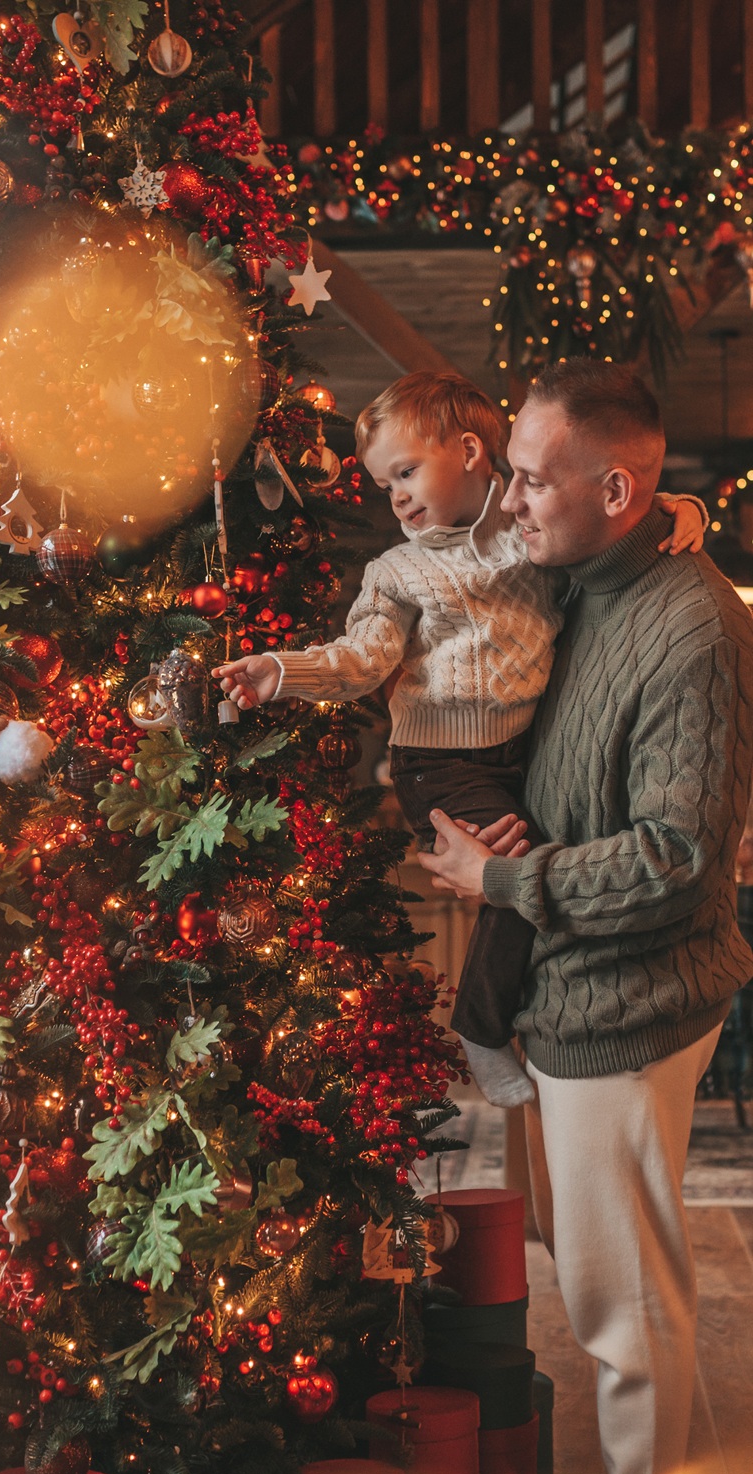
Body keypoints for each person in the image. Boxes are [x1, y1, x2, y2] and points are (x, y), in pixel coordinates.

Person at [416, 359, 753, 1474]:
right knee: (624, 1292)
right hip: (570, 994)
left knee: (620, 1316)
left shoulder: (692, 631)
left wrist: (501, 882)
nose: (511, 500)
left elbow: (674, 859)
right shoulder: (584, 573)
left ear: (613, 493)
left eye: (530, 481)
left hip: (629, 1004)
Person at [213, 371, 705, 1108]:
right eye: (385, 486)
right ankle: (478, 1026)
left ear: (472, 451)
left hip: (518, 752)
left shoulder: (531, 536)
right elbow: (362, 659)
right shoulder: (398, 570)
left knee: (545, 860)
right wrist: (282, 671)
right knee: (515, 874)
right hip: (438, 761)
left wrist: (678, 507)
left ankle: (538, 1012)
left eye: (406, 473)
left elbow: (607, 520)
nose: (397, 498)